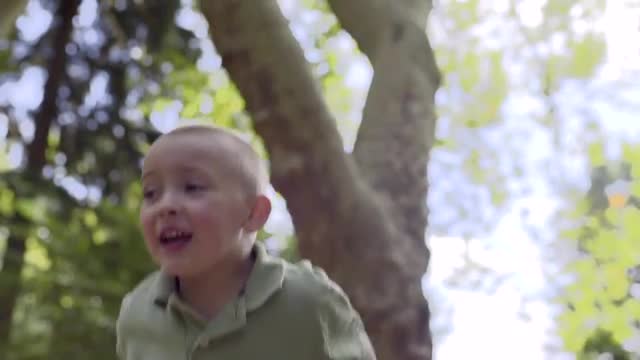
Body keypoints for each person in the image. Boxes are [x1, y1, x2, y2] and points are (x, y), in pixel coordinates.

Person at [115, 124, 376, 359]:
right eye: (151, 193)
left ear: (254, 213)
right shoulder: (135, 313)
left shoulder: (311, 302)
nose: (166, 205)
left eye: (192, 187)